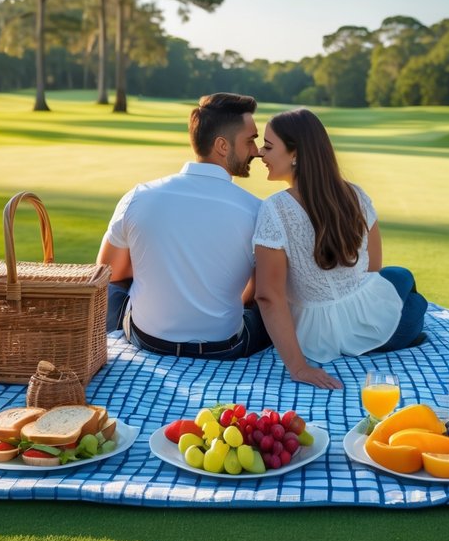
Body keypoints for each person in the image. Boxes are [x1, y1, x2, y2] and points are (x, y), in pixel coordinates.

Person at [253, 108, 427, 389]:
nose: (261, 153)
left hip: (313, 340)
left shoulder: (273, 209)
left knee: (403, 277)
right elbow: (374, 269)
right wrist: (298, 369)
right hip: (377, 329)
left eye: (269, 146)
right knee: (407, 286)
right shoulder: (354, 195)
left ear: (295, 154)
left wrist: (299, 366)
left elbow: (268, 296)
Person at [96, 92, 272, 359]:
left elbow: (109, 272)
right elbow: (258, 293)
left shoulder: (139, 196)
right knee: (272, 299)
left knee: (112, 283)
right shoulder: (257, 210)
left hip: (149, 340)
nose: (256, 151)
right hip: (225, 346)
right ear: (222, 146)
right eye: (250, 140)